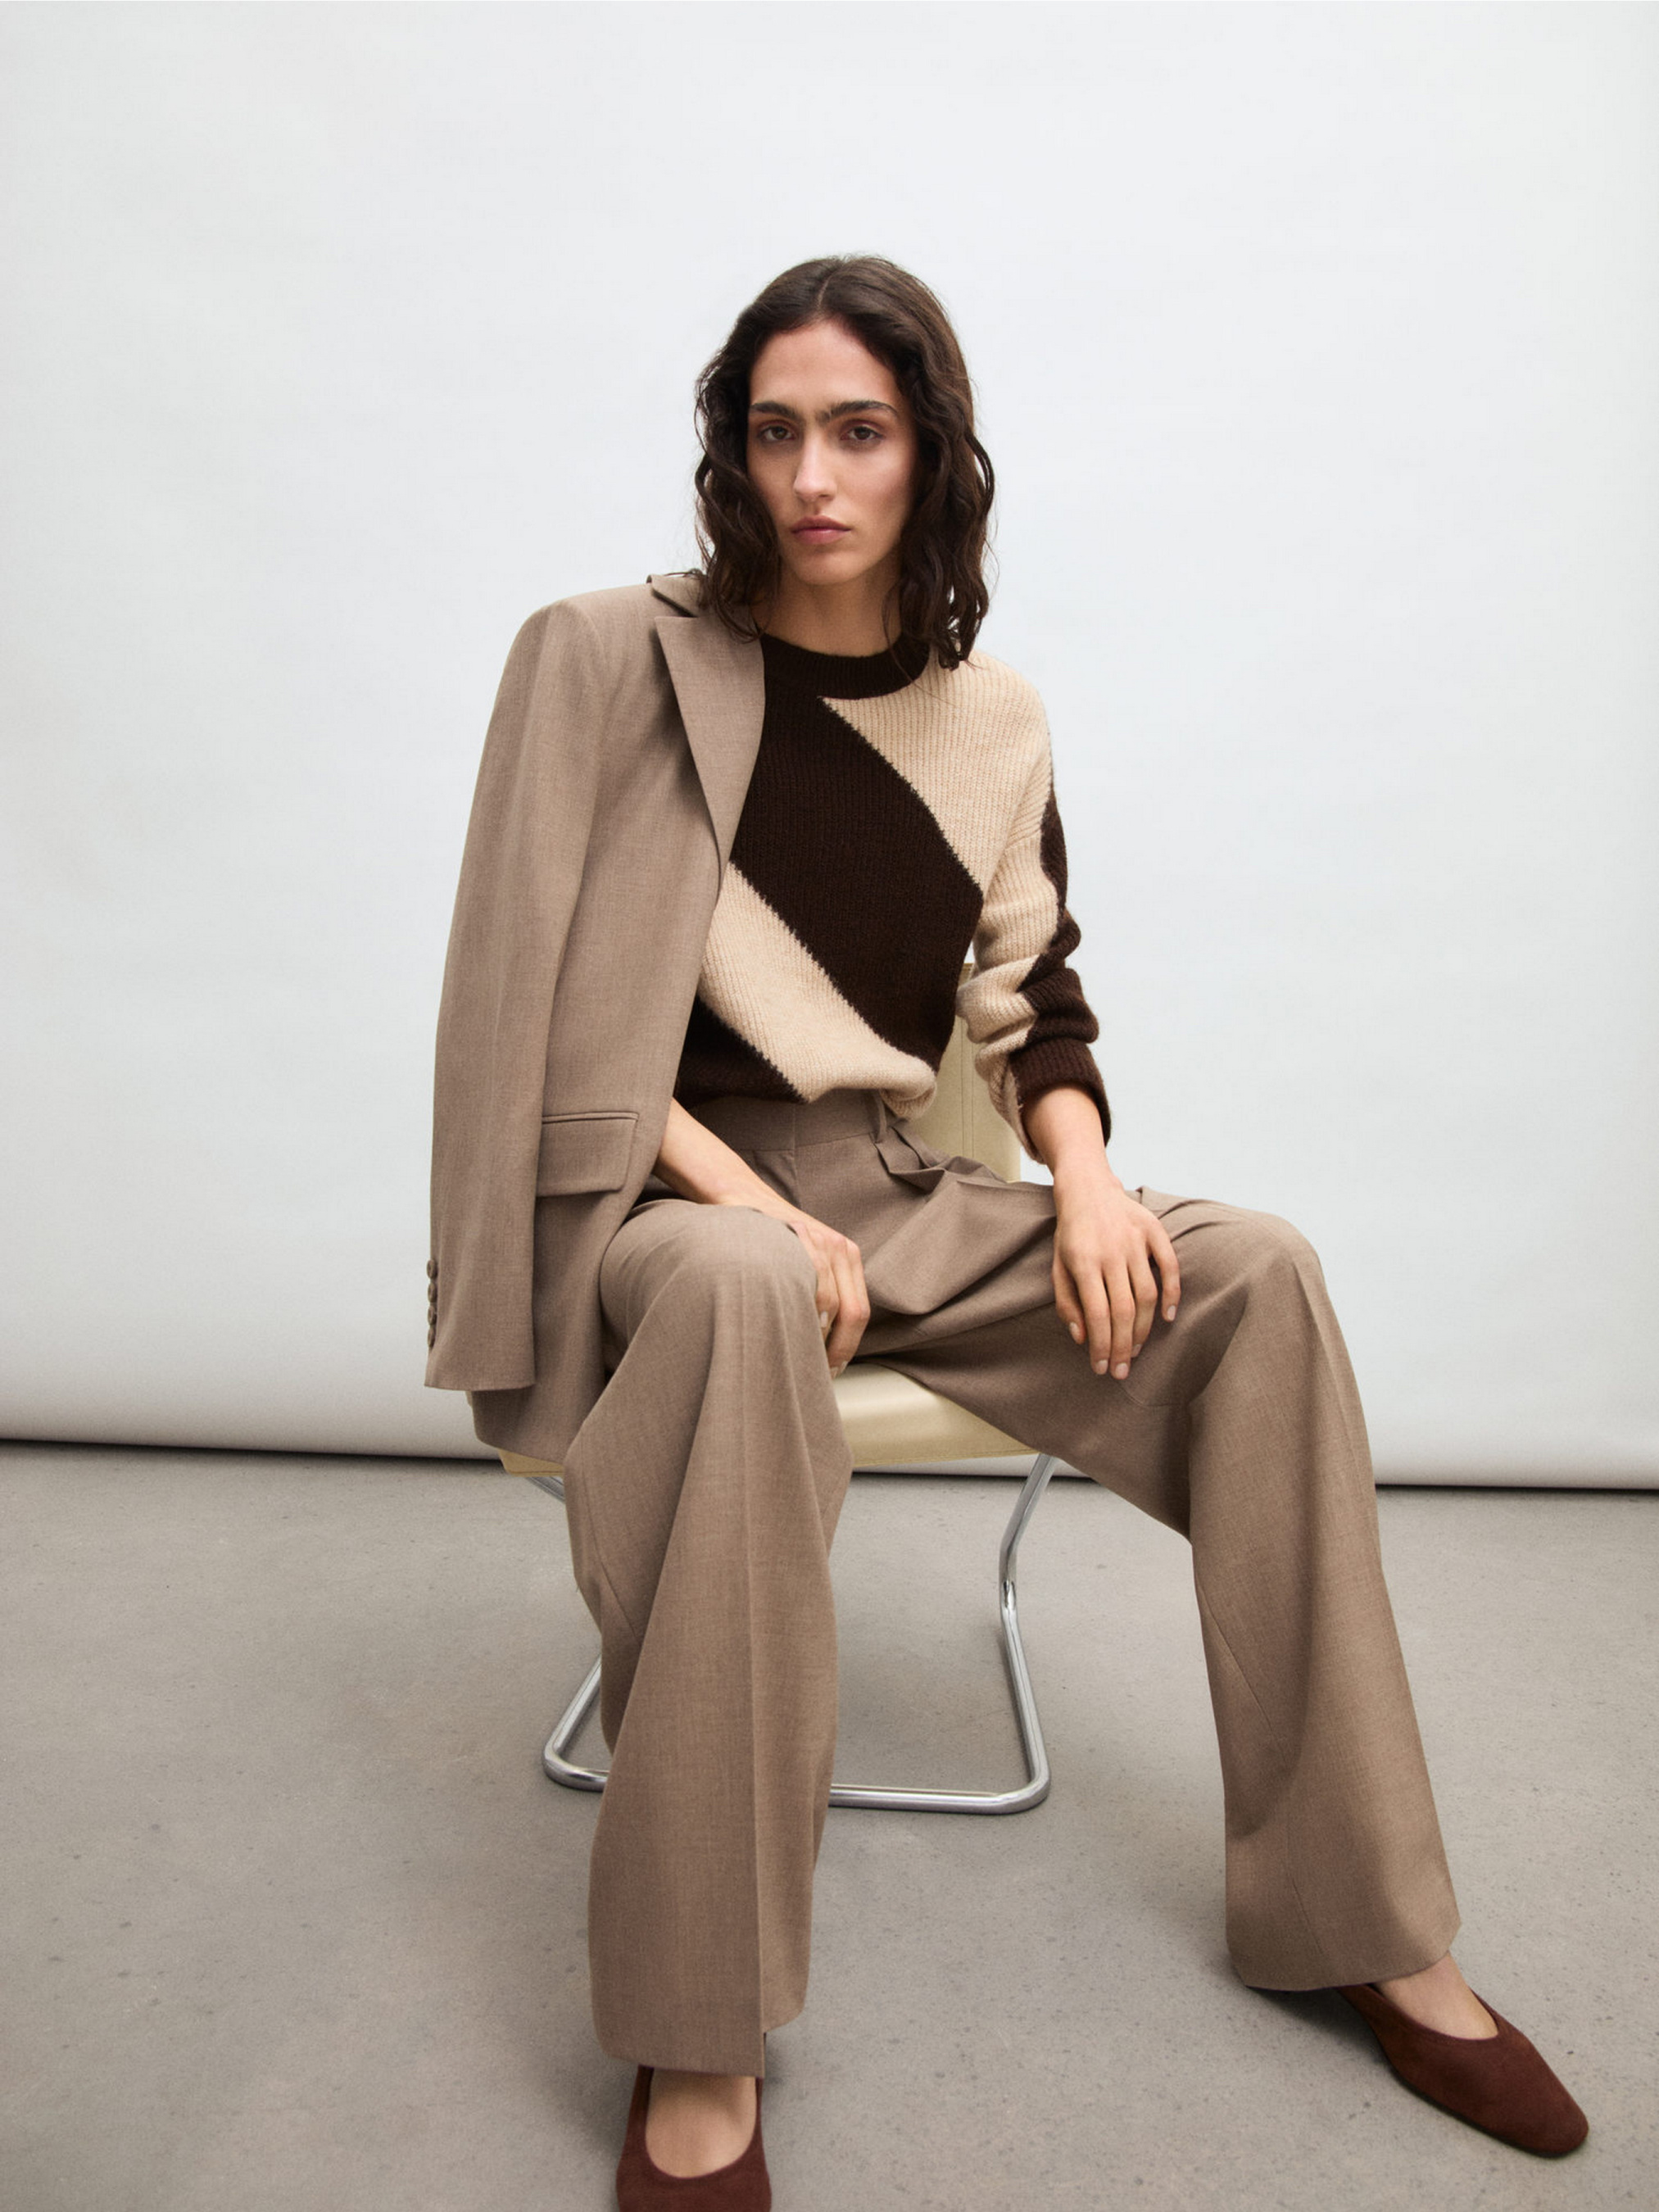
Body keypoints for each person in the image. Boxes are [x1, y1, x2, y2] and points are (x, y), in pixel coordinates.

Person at [426, 256, 1587, 2210]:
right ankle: (696, 2030)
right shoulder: (609, 658)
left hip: (887, 1190)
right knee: (738, 1282)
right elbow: (520, 1011)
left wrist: (1090, 1180)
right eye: (773, 431)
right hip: (661, 1200)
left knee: (1260, 1274)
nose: (811, 476)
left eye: (855, 432)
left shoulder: (991, 722)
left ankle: (1366, 1920)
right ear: (730, 454)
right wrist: (747, 1206)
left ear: (929, 456)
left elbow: (1027, 999)